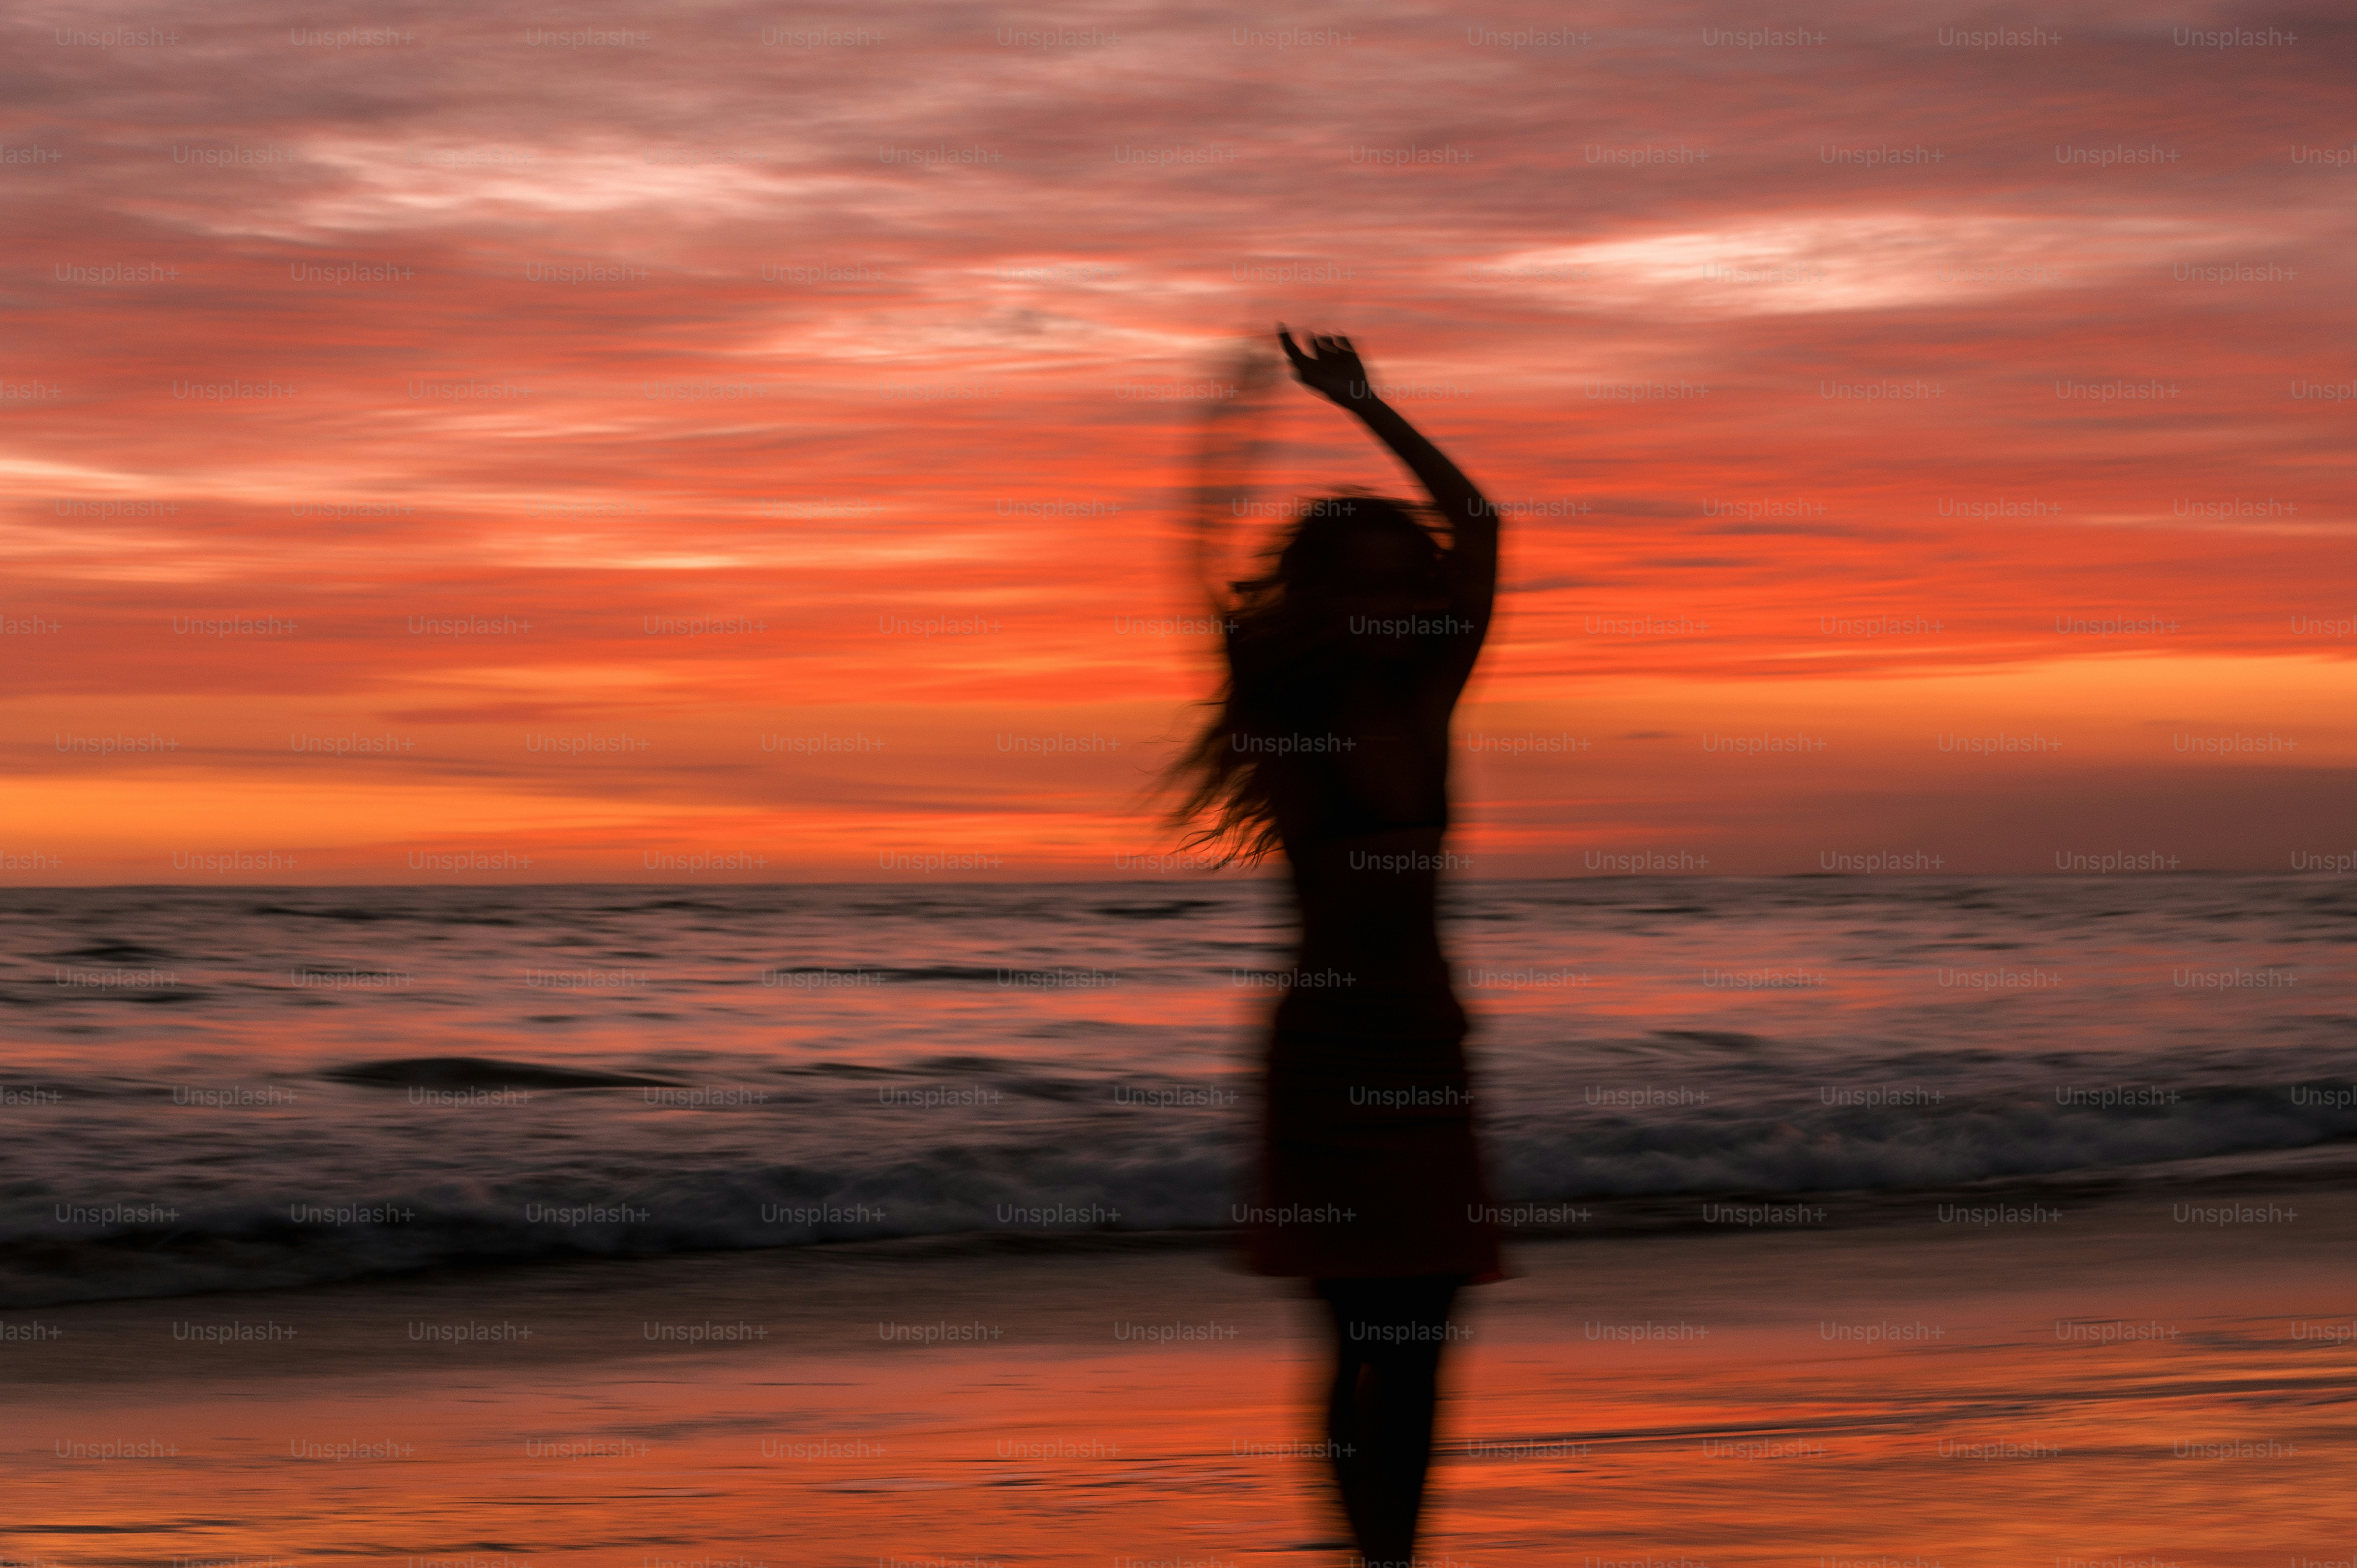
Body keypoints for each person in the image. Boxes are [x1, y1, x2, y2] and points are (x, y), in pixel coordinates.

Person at [1171, 327, 1504, 1567]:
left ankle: (1393, 1562)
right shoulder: (1287, 714)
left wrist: (1368, 403)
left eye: (1398, 579)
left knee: (1426, 1348)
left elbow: (1478, 519)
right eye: (1356, 581)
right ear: (1317, 600)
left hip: (1427, 1048)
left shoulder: (1429, 698)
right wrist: (1223, 438)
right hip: (1323, 1057)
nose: (1386, 600)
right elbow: (1201, 570)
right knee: (1356, 1337)